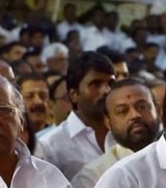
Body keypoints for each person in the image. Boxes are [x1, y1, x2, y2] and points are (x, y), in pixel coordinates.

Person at [36, 52, 116, 180]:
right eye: (95, 84)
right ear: (74, 94)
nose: (106, 91)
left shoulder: (126, 134)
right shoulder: (50, 145)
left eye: (110, 83)